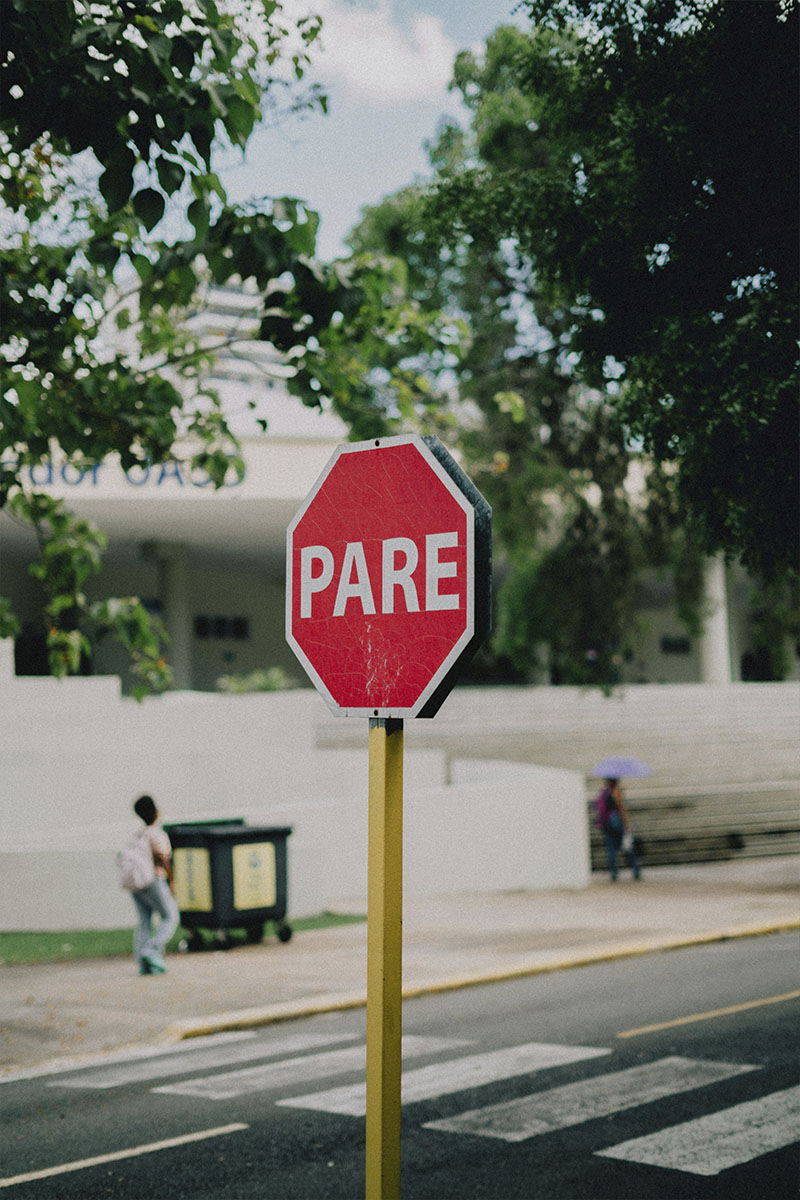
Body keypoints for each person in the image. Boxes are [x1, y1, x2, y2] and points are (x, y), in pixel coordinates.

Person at [130, 794, 180, 974]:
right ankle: (150, 951)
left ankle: (143, 963)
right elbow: (163, 859)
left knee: (145, 920)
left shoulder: (137, 835)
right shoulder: (157, 834)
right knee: (170, 917)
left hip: (136, 884)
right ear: (155, 812)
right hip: (154, 881)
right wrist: (171, 881)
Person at [594, 777, 641, 882]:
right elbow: (620, 808)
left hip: (606, 823)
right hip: (616, 822)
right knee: (627, 846)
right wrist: (626, 823)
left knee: (611, 849)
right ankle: (636, 870)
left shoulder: (603, 792)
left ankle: (614, 873)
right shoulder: (615, 791)